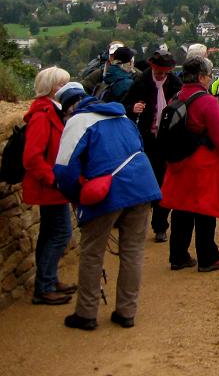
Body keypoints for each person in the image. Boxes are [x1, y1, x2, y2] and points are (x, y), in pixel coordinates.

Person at [53, 91, 162, 330]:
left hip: (106, 190)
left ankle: (86, 313)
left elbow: (63, 168)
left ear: (70, 108)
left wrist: (76, 197)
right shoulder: (122, 117)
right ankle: (127, 311)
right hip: (142, 186)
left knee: (92, 252)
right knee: (132, 252)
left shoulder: (78, 122)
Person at [160, 57, 219, 272]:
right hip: (202, 163)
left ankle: (178, 256)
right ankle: (208, 257)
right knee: (205, 210)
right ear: (202, 77)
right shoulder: (207, 101)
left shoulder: (177, 97)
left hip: (179, 162)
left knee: (181, 209)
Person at [22, 67, 76, 305]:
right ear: (51, 88)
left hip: (52, 186)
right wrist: (52, 179)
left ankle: (49, 280)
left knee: (50, 234)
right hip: (49, 186)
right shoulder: (43, 115)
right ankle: (44, 286)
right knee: (61, 233)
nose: (65, 88)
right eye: (61, 84)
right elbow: (32, 157)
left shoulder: (51, 111)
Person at [123, 49, 181, 242]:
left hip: (169, 139)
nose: (161, 75)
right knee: (148, 181)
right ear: (152, 67)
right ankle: (137, 224)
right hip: (147, 138)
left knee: (165, 182)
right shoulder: (140, 82)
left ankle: (160, 225)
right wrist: (133, 108)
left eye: (165, 72)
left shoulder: (175, 83)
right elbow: (124, 105)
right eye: (159, 71)